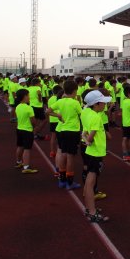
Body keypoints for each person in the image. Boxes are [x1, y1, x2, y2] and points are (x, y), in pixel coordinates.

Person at [81, 90, 112, 223]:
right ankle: (92, 212)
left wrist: (85, 138)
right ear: (96, 104)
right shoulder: (96, 117)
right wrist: (88, 140)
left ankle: (89, 208)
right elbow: (90, 137)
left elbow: (84, 132)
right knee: (90, 183)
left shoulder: (85, 112)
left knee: (89, 182)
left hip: (90, 152)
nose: (105, 105)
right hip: (95, 152)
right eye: (103, 102)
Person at [47, 80, 82, 190]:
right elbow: (82, 115)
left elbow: (47, 111)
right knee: (70, 156)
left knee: (62, 153)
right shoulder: (75, 102)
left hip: (61, 131)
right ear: (74, 91)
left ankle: (62, 180)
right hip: (72, 131)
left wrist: (58, 115)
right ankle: (70, 181)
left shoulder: (60, 101)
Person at [14, 89, 38, 173]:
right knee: (27, 149)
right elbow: (33, 120)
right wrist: (35, 127)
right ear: (24, 96)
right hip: (27, 130)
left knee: (20, 146)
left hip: (19, 129)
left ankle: (18, 162)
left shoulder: (18, 107)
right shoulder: (29, 108)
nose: (29, 97)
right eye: (28, 95)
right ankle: (26, 167)